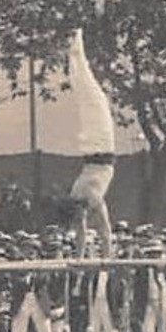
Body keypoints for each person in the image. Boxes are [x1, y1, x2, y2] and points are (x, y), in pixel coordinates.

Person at [64, 29, 115, 258]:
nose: (81, 221)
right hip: (98, 147)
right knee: (90, 96)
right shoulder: (86, 197)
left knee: (87, 94)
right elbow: (103, 231)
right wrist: (105, 259)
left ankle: (75, 48)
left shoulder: (81, 196)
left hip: (95, 148)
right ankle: (76, 47)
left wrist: (82, 256)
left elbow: (93, 232)